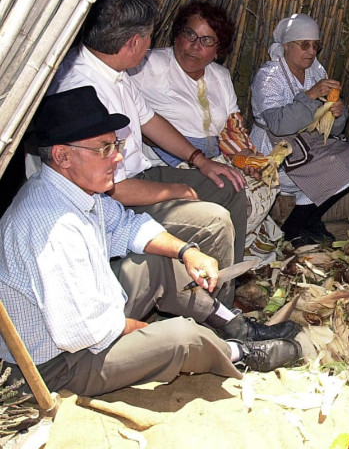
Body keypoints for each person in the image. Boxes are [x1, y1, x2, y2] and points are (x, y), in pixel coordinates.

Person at [0, 87, 302, 397]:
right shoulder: (50, 228)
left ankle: (235, 325)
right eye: (104, 148)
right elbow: (85, 333)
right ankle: (236, 352)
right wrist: (148, 335)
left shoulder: (73, 191)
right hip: (57, 363)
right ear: (63, 155)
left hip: (85, 325)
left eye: (115, 145)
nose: (117, 158)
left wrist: (187, 253)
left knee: (160, 260)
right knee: (180, 337)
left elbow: (129, 226)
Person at [47, 0, 247, 308]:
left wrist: (200, 161)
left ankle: (226, 291)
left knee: (229, 187)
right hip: (110, 202)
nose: (153, 44)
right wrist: (175, 190)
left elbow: (150, 120)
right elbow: (112, 189)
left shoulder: (115, 71)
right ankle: (215, 314)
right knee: (215, 220)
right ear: (133, 43)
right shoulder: (82, 90)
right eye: (150, 36)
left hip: (141, 174)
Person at [129, 1, 281, 245]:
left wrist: (246, 158)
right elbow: (135, 121)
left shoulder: (220, 76)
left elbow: (232, 128)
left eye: (207, 41)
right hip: (168, 159)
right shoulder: (146, 65)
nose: (195, 46)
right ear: (177, 34)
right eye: (190, 34)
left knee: (267, 183)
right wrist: (194, 158)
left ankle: (224, 245)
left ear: (218, 50)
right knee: (232, 193)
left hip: (216, 157)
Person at [250, 14, 349, 246]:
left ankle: (308, 218)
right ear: (286, 45)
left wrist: (337, 113)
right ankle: (296, 227)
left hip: (309, 144)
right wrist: (310, 96)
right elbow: (277, 124)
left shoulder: (317, 72)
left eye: (316, 45)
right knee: (333, 171)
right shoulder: (268, 77)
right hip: (275, 148)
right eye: (304, 45)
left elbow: (333, 127)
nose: (311, 51)